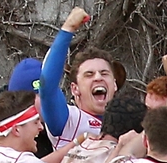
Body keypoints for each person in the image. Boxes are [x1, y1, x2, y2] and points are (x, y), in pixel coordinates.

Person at [40, 7, 123, 149]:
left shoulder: (129, 123)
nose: (98, 77)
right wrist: (68, 28)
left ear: (114, 85)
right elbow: (47, 87)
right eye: (89, 74)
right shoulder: (69, 120)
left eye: (104, 73)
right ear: (75, 88)